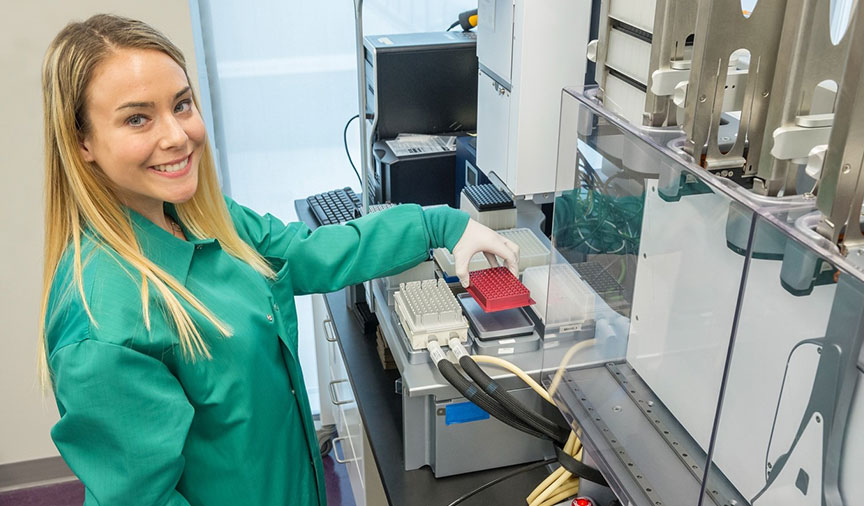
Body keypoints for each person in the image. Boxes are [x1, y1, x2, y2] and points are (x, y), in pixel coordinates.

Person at [40, 14, 519, 506]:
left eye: (181, 105)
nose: (177, 137)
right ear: (82, 142)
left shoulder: (200, 218)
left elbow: (306, 253)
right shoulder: (103, 329)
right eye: (137, 118)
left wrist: (440, 224)